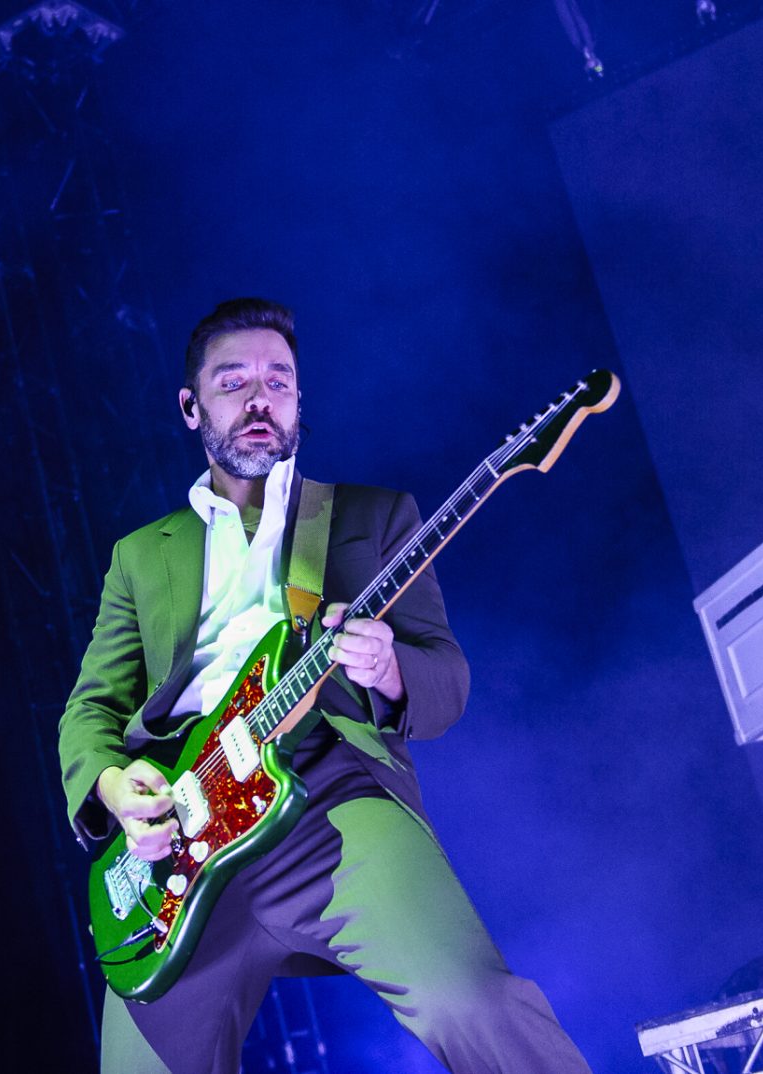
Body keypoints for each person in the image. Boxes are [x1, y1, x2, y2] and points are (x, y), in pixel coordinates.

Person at [58, 297, 592, 1074]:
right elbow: (91, 708)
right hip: (176, 842)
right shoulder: (141, 556)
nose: (259, 398)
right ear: (190, 406)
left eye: (279, 381)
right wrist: (112, 783)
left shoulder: (371, 518)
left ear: (300, 401)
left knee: (472, 1004)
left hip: (328, 795)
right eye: (233, 380)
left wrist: (389, 669)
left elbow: (446, 677)